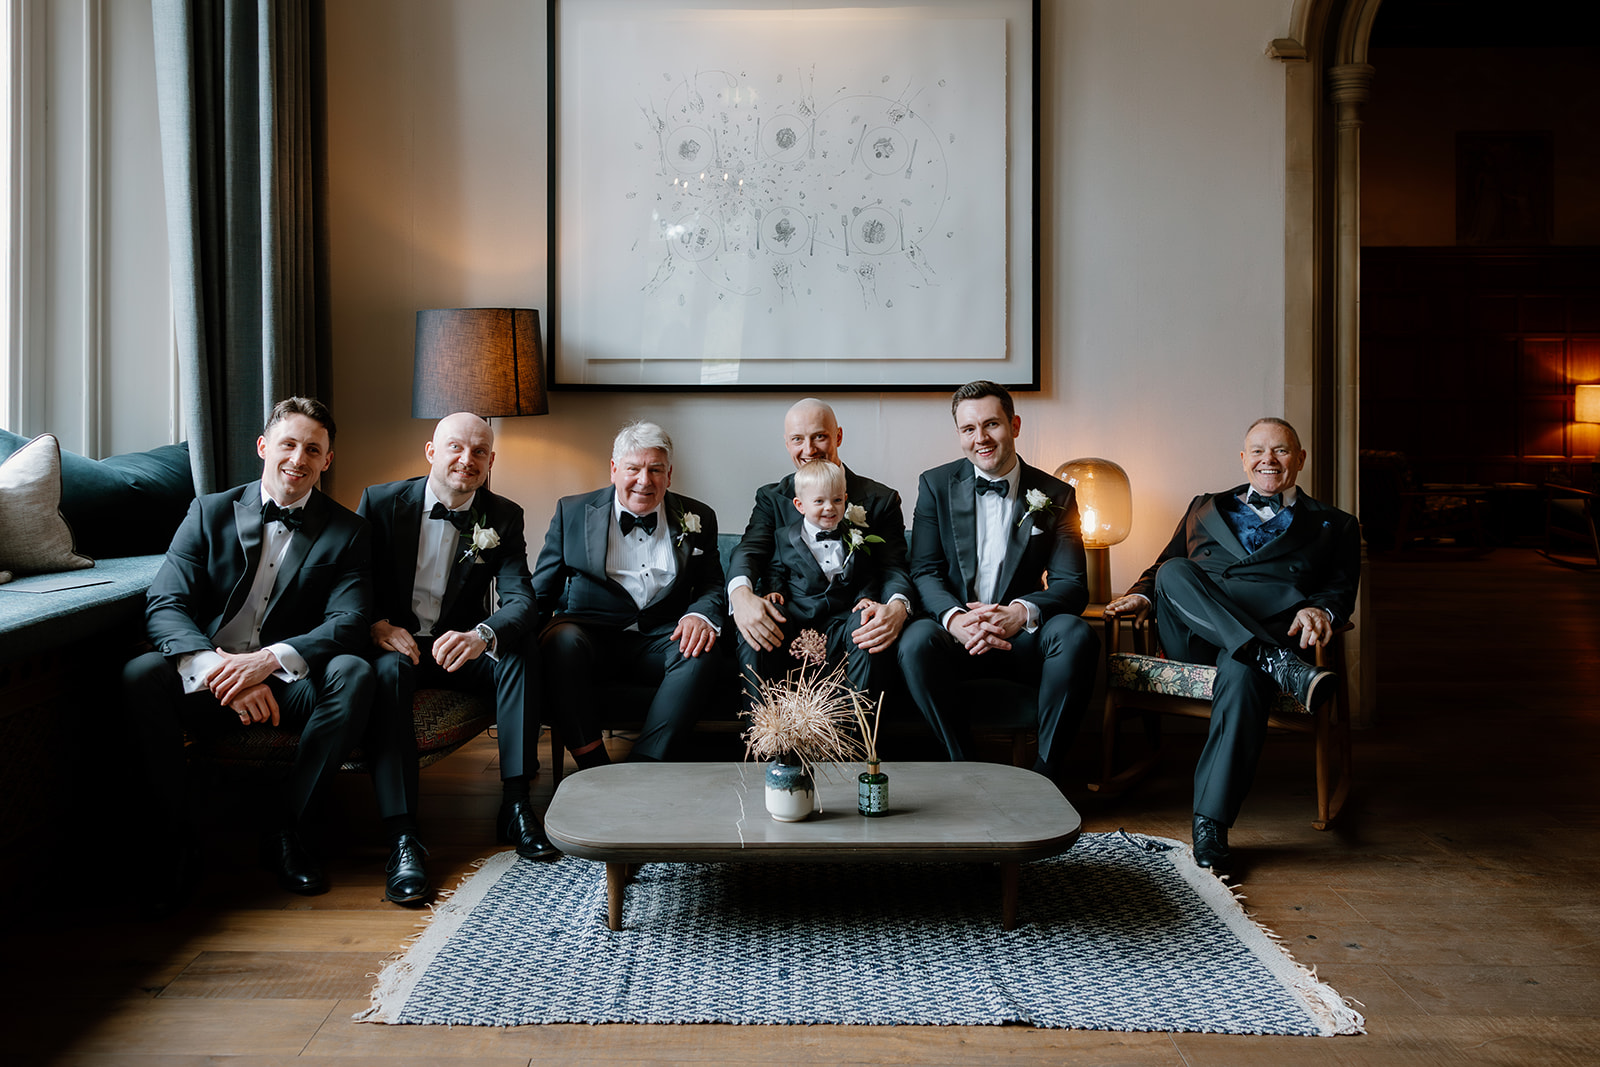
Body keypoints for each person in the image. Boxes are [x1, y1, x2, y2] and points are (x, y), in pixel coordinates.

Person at [123, 397, 373, 901]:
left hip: (286, 684)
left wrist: (265, 662)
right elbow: (164, 602)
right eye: (288, 444)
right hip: (205, 674)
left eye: (312, 450)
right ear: (264, 447)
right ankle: (174, 843)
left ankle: (288, 833)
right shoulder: (207, 510)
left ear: (327, 461)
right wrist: (218, 669)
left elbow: (349, 621)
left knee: (355, 672)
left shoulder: (349, 531)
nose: (297, 459)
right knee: (140, 673)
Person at [1104, 417, 1360, 871]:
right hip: (1196, 636)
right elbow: (1162, 565)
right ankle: (1277, 662)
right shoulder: (1204, 506)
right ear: (1243, 460)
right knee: (1175, 572)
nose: (1268, 460)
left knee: (1244, 673)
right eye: (1258, 451)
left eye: (1280, 451)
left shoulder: (1334, 525)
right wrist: (1141, 595)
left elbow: (1338, 591)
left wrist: (1320, 609)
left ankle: (1210, 824)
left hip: (1261, 638)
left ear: (1300, 459)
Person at [357, 413, 554, 905]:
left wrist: (481, 634)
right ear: (430, 451)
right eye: (455, 448)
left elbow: (522, 600)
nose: (466, 460)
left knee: (520, 649)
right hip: (394, 643)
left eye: (479, 452)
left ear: (491, 460)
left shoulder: (503, 515)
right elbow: (350, 580)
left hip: (456, 648)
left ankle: (514, 802)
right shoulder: (380, 502)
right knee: (390, 673)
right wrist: (376, 624)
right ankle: (403, 836)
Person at [896, 380, 1099, 786]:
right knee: (916, 641)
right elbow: (924, 570)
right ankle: (966, 772)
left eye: (992, 425)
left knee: (1075, 633)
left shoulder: (1056, 494)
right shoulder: (935, 485)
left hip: (1021, 638)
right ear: (959, 435)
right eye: (968, 429)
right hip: (956, 635)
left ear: (1015, 425)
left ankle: (1048, 776)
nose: (981, 439)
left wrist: (1020, 613)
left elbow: (1073, 584)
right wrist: (954, 618)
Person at [534, 421, 726, 768]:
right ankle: (593, 766)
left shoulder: (699, 516)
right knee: (560, 639)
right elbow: (541, 592)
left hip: (661, 637)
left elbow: (713, 583)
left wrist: (699, 615)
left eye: (655, 470)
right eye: (633, 468)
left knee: (702, 648)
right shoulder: (572, 512)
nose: (644, 480)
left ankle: (644, 766)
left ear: (669, 474)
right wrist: (506, 633)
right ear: (613, 470)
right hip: (591, 638)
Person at [727, 398, 912, 705]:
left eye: (819, 437)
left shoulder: (880, 499)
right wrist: (740, 595)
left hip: (850, 617)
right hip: (791, 616)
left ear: (838, 436)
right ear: (787, 444)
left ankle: (857, 748)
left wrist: (897, 607)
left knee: (868, 624)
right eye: (798, 439)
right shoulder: (772, 498)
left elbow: (893, 567)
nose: (809, 449)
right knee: (754, 626)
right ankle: (764, 743)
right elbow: (750, 551)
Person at [740, 459, 898, 700]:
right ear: (800, 505)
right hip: (798, 616)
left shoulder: (855, 536)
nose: (829, 508)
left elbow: (866, 574)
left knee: (865, 624)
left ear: (845, 498)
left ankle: (856, 719)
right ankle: (769, 720)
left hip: (841, 619)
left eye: (837, 500)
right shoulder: (784, 536)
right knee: (771, 614)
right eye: (819, 501)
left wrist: (866, 597)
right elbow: (776, 569)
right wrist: (774, 589)